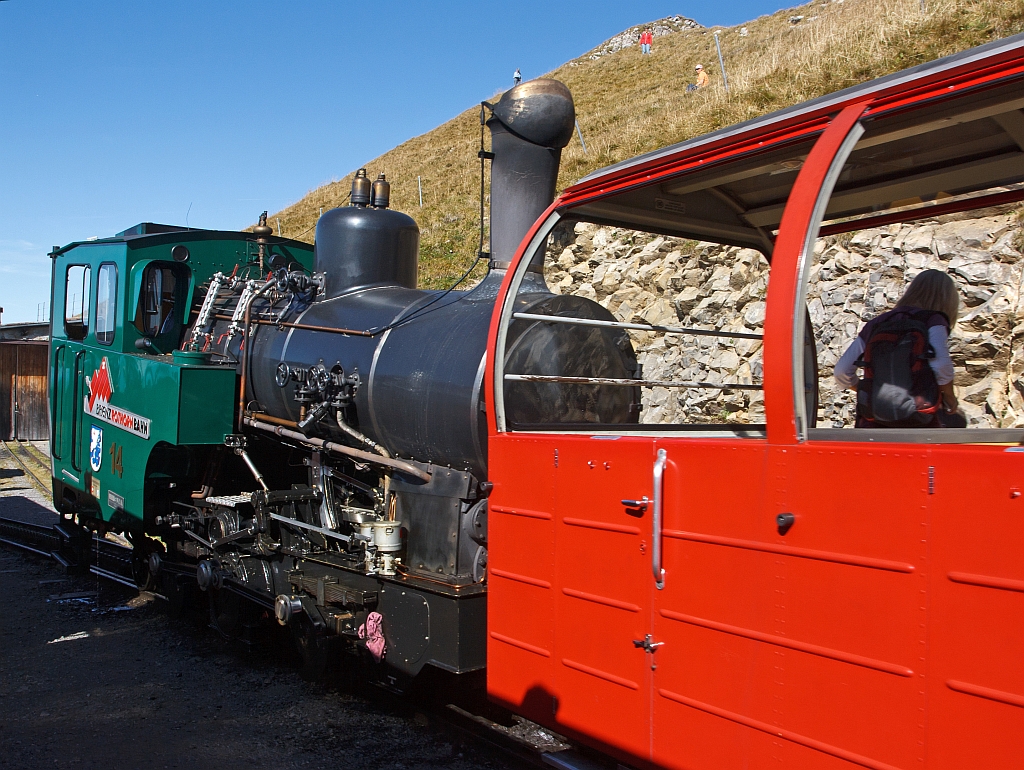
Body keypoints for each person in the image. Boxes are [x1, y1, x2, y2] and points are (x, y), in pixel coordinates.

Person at [834, 269, 962, 427]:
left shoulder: (878, 323)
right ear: (947, 300)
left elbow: (841, 371)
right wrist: (949, 396)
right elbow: (941, 366)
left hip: (873, 422)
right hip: (918, 421)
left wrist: (870, 390)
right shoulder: (933, 321)